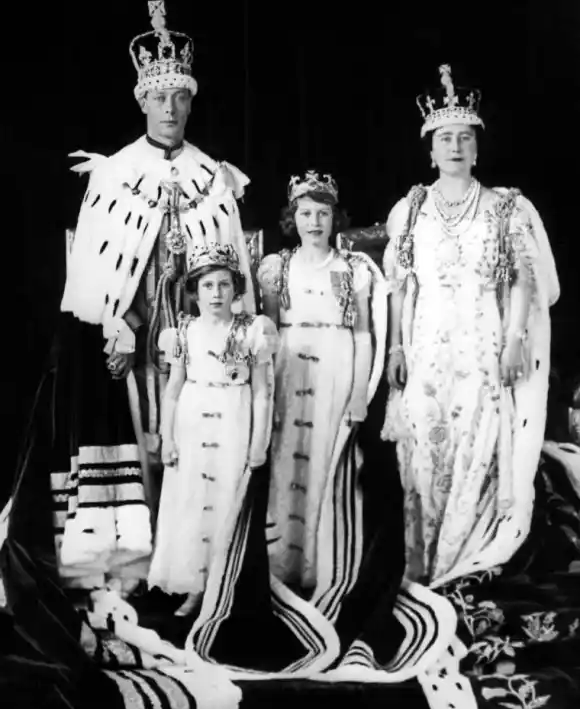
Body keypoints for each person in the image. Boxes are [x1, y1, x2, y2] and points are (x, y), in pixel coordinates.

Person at [51, 0, 254, 588]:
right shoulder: (113, 175)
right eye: (159, 98)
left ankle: (196, 559)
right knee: (142, 430)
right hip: (135, 334)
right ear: (142, 100)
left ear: (192, 101)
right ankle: (139, 558)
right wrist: (120, 321)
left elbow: (232, 267)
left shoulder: (212, 176)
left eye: (180, 97)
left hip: (199, 334)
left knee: (196, 435)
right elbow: (93, 273)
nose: (170, 108)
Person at [382, 64, 560, 587]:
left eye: (463, 138)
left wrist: (515, 340)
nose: (454, 147)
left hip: (483, 347)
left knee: (476, 448)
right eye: (444, 138)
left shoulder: (506, 207)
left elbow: (525, 282)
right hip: (427, 349)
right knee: (423, 448)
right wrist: (395, 347)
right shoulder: (410, 209)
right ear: (430, 149)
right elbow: (401, 285)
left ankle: (463, 568)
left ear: (477, 148)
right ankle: (421, 568)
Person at [257, 172, 384, 594]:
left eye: (323, 213)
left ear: (335, 218)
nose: (314, 222)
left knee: (328, 466)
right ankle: (282, 566)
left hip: (335, 367)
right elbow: (271, 330)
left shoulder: (352, 271)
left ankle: (323, 567)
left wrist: (358, 396)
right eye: (306, 213)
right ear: (293, 218)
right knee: (287, 464)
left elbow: (363, 334)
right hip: (290, 370)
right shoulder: (277, 268)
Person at [148, 240, 278, 616]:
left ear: (236, 288)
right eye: (207, 285)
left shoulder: (252, 330)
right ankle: (195, 585)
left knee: (226, 501)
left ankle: (224, 584)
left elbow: (262, 392)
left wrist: (259, 443)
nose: (216, 293)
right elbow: (172, 390)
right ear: (194, 291)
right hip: (192, 419)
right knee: (190, 501)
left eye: (223, 284)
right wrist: (166, 437)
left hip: (232, 420)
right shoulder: (183, 332)